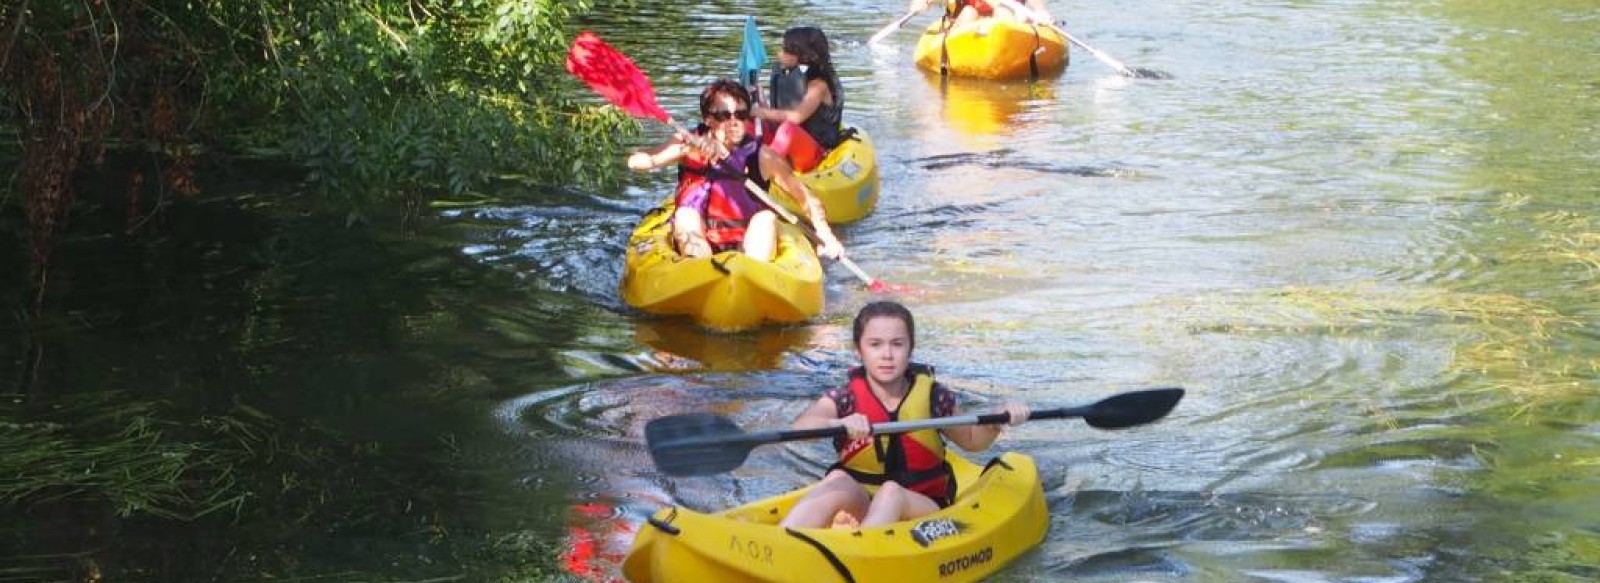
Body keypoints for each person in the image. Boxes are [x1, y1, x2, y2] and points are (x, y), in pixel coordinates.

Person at [780, 301, 1031, 529]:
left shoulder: (934, 397)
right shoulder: (846, 398)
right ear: (859, 350)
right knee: (837, 480)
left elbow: (972, 441)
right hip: (864, 500)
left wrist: (998, 419)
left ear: (910, 348)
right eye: (875, 344)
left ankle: (861, 548)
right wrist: (838, 423)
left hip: (922, 507)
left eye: (897, 344)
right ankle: (783, 544)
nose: (887, 354)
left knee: (891, 492)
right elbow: (801, 428)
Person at [627, 80, 844, 261]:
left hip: (748, 243)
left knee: (766, 217)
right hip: (699, 240)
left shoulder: (763, 156)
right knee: (686, 214)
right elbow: (639, 162)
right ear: (708, 120)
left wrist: (825, 234)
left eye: (741, 114)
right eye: (724, 116)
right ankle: (699, 269)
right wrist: (685, 148)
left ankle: (750, 277)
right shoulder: (687, 143)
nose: (734, 122)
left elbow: (806, 199)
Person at [753, 27, 845, 174]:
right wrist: (759, 102)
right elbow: (781, 112)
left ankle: (765, 172)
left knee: (787, 129)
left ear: (802, 55)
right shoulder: (797, 78)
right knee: (749, 124)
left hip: (817, 152)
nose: (779, 53)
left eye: (785, 49)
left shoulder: (818, 86)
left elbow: (796, 117)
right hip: (794, 144)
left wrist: (762, 112)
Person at [908, 0, 1052, 27]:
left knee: (1003, 12)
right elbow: (920, 3)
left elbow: (1036, 3)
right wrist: (920, 5)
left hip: (1005, 23)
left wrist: (1041, 11)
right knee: (969, 12)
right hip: (968, 24)